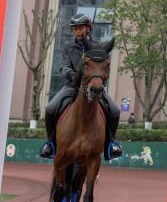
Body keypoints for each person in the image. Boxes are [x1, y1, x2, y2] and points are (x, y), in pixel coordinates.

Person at [40, 12, 122, 161]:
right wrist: (72, 76)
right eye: (75, 28)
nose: (78, 31)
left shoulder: (97, 47)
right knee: (50, 109)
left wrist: (99, 81)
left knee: (115, 111)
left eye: (81, 28)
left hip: (93, 87)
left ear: (88, 28)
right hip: (71, 86)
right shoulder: (68, 47)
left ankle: (111, 144)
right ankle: (50, 143)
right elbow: (63, 66)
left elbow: (103, 67)